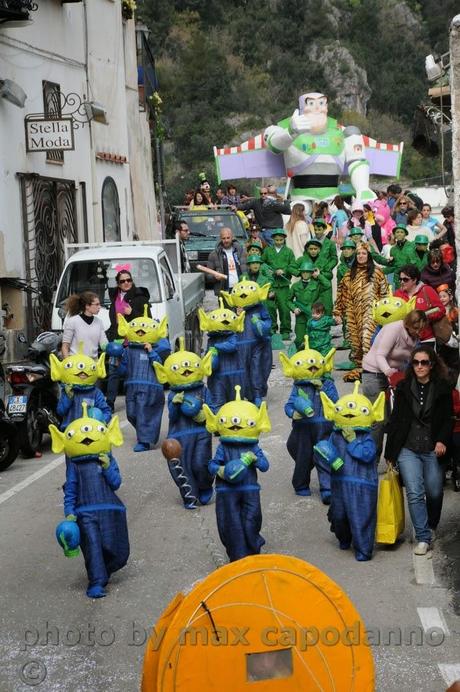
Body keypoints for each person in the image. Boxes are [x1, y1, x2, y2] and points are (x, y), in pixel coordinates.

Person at [385, 346, 453, 555]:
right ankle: (423, 536)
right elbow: (395, 420)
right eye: (416, 362)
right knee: (414, 492)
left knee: (433, 491)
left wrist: (442, 440)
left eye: (424, 362)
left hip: (433, 448)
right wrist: (390, 454)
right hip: (408, 448)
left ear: (432, 365)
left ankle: (430, 525)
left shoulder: (443, 388)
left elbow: (448, 418)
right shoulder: (404, 387)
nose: (420, 367)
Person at [361, 310, 427, 458]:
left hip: (395, 373)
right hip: (374, 373)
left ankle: (393, 458)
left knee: (396, 417)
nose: (418, 332)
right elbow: (380, 355)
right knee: (378, 420)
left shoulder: (415, 336)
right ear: (408, 324)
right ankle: (371, 459)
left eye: (420, 329)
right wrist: (389, 372)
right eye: (415, 328)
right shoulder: (394, 329)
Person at [334, 243, 389, 381]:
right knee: (355, 343)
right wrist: (337, 312)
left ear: (369, 255)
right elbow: (341, 293)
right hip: (352, 312)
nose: (361, 256)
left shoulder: (377, 272)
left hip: (371, 312)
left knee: (367, 339)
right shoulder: (349, 274)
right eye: (358, 254)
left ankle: (370, 368)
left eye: (364, 253)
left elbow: (384, 294)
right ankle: (360, 368)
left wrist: (386, 314)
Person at [106, 270, 151, 412]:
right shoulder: (114, 297)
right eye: (122, 281)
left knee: (132, 373)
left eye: (128, 280)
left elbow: (147, 320)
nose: (126, 283)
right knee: (113, 372)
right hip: (118, 342)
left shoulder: (140, 297)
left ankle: (135, 400)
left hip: (133, 342)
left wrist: (132, 314)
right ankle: (109, 403)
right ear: (118, 283)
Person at [395, 264, 446, 345]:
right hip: (405, 341)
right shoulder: (397, 294)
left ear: (414, 280)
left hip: (425, 339)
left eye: (405, 280)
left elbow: (441, 309)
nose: (401, 282)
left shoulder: (427, 290)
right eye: (400, 279)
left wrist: (424, 317)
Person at [261, 229, 297, 339]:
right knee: (270, 308)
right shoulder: (267, 251)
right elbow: (262, 264)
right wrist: (269, 271)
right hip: (271, 285)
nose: (278, 242)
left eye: (281, 240)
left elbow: (293, 265)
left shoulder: (289, 252)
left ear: (284, 239)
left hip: (283, 285)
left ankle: (285, 330)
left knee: (284, 308)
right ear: (273, 239)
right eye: (276, 240)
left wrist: (284, 270)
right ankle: (272, 328)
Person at [288, 259, 330, 351]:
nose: (305, 274)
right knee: (299, 340)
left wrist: (319, 275)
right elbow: (288, 301)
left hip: (313, 315)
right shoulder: (295, 286)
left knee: (314, 338)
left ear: (312, 273)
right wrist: (294, 308)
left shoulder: (317, 284)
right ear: (301, 273)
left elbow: (327, 285)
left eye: (308, 272)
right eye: (303, 272)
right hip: (301, 317)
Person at [62, 292, 107, 358]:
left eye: (99, 304)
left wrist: (113, 346)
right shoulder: (72, 321)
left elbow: (104, 344)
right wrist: (68, 363)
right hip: (76, 365)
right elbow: (65, 346)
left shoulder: (99, 322)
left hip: (93, 365)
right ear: (87, 306)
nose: (99, 307)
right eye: (97, 304)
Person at [207, 227, 247, 295]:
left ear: (232, 238)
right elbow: (208, 275)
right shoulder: (214, 254)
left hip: (241, 289)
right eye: (224, 238)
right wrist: (215, 277)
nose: (226, 240)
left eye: (228, 238)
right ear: (220, 239)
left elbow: (247, 269)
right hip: (224, 291)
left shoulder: (241, 251)